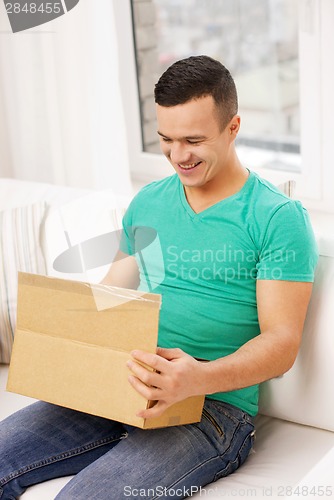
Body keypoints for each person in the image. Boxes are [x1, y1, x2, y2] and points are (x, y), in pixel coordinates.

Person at [0, 55, 318, 499]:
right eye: (166, 139)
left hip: (213, 409)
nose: (178, 156)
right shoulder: (148, 202)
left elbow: (282, 344)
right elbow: (111, 296)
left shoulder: (277, 218)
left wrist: (195, 379)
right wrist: (60, 337)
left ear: (233, 127)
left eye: (193, 140)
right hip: (122, 382)